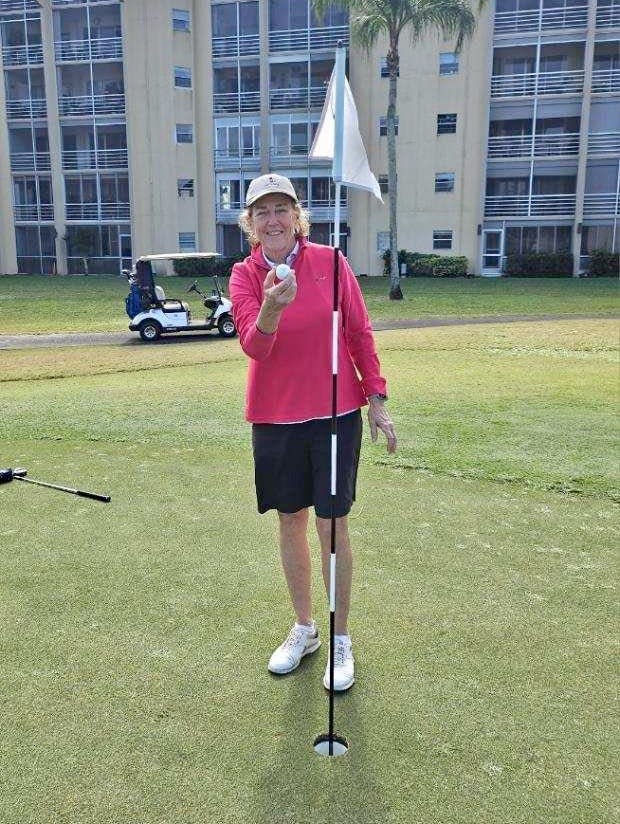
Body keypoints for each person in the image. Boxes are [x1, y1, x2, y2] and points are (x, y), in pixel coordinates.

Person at [229, 173, 396, 692]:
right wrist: (274, 305)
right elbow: (255, 347)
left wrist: (377, 399)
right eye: (262, 212)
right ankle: (306, 629)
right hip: (275, 416)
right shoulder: (244, 274)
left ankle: (340, 638)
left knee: (331, 524)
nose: (273, 219)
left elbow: (358, 331)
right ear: (250, 224)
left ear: (297, 217)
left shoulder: (330, 262)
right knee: (289, 520)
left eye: (282, 209)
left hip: (333, 410)